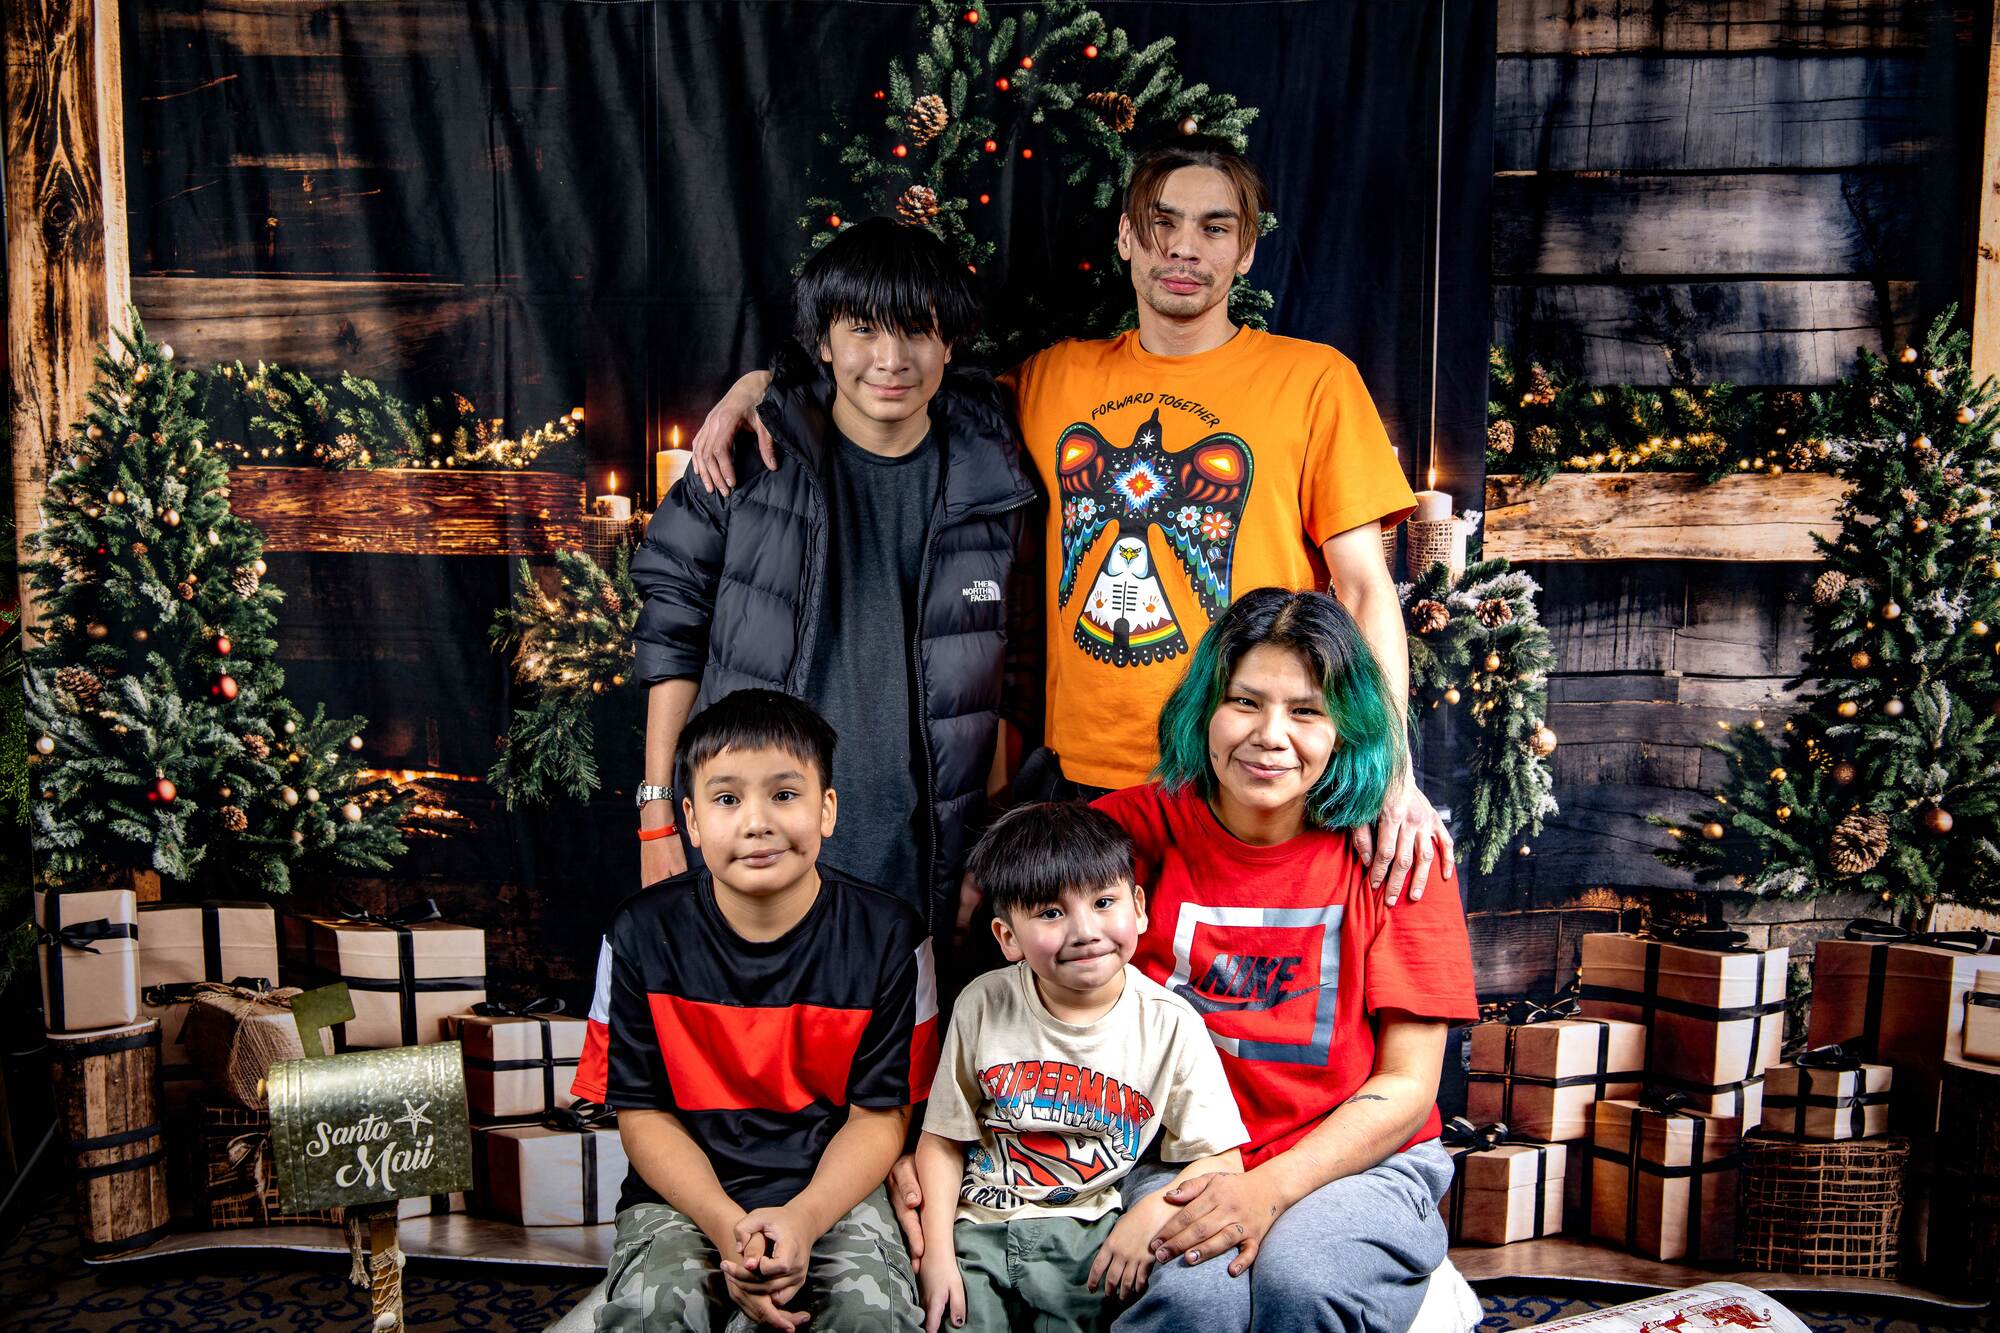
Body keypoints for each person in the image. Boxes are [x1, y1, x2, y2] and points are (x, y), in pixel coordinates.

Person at [688, 138, 1454, 911]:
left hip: (1240, 783)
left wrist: (1392, 773)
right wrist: (763, 386)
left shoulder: (1314, 381)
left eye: (1215, 227)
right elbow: (897, 384)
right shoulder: (1053, 377)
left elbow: (1363, 590)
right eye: (1161, 223)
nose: (1184, 247)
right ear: (1125, 237)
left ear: (1247, 249)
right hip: (1078, 787)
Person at [629, 215, 1038, 943]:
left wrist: (992, 844)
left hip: (920, 867)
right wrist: (658, 814)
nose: (891, 359)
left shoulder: (996, 486)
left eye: (918, 330)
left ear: (949, 343)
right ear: (823, 342)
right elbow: (672, 638)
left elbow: (1013, 680)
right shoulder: (745, 461)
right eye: (863, 330)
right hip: (756, 852)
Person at [1085, 587, 1479, 1330]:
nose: (1270, 735)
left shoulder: (1402, 856)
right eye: (1245, 702)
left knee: (1304, 1278)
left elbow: (1408, 1085)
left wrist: (1268, 1189)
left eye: (1306, 711)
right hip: (1184, 1154)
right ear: (1205, 708)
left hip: (1361, 1161)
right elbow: (1018, 920)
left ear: (1345, 729)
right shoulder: (1129, 832)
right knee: (1194, 1300)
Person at [587, 689, 937, 1332]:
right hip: (685, 1195)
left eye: (784, 794)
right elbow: (641, 1116)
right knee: (655, 1311)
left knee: (871, 1315)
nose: (756, 822)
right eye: (727, 799)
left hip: (834, 1190)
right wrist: (727, 1227)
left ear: (826, 809)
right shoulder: (638, 934)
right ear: (691, 820)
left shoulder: (891, 938)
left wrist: (803, 1219)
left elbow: (880, 1117)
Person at [915, 802, 1246, 1333]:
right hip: (976, 1230)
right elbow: (943, 1138)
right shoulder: (984, 1002)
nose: (1085, 930)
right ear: (1007, 937)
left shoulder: (1170, 1023)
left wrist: (1152, 1212)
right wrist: (937, 1256)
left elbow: (1221, 1158)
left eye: (1104, 902)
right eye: (1051, 913)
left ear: (1139, 907)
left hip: (1091, 1240)